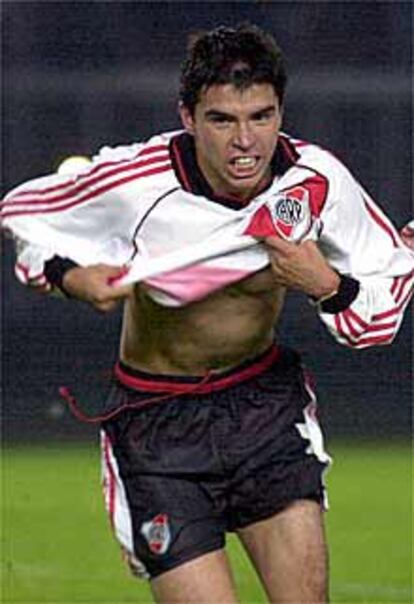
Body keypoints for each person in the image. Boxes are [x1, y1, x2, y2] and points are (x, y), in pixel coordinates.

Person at [1, 23, 413, 604]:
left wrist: (326, 284)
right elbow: (21, 215)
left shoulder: (316, 182)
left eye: (261, 117)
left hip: (263, 411)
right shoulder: (135, 181)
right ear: (188, 118)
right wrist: (70, 277)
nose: (245, 141)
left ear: (281, 112)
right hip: (157, 426)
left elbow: (381, 309)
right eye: (222, 120)